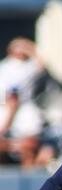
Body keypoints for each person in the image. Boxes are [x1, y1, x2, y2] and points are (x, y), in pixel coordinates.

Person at [0, 37, 45, 166]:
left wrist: (29, 47)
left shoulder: (29, 66)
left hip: (24, 110)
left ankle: (27, 182)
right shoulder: (4, 67)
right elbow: (10, 98)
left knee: (29, 147)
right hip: (4, 108)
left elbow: (41, 64)